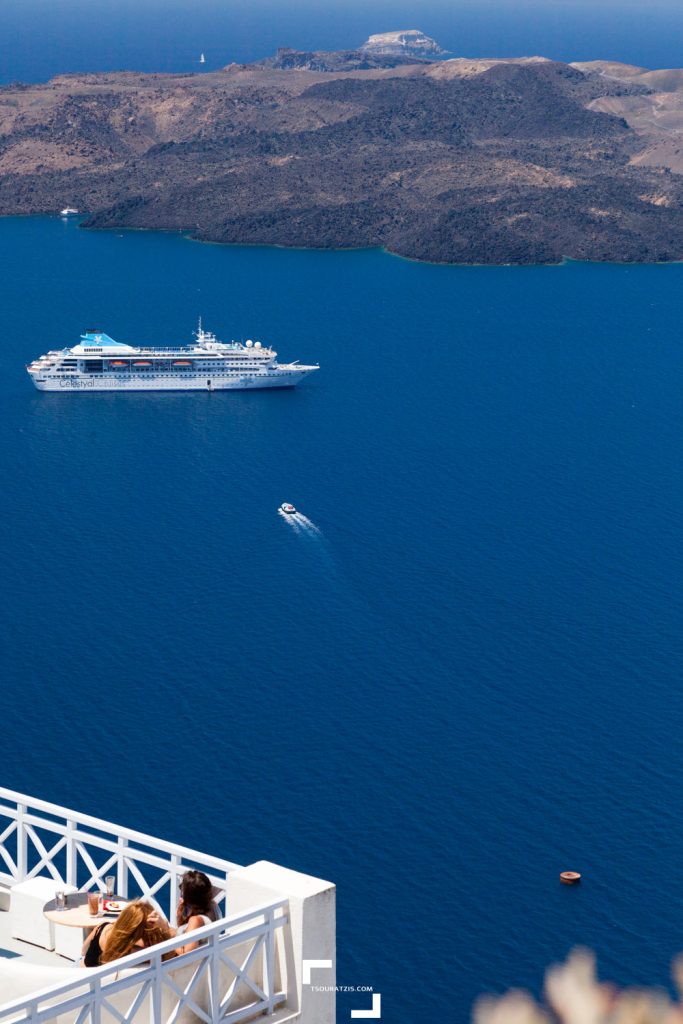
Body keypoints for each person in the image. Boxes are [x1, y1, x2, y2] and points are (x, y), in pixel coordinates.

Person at [81, 900, 173, 967]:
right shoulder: (137, 954)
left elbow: (83, 951)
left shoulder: (103, 928)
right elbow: (168, 955)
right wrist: (165, 928)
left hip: (80, 978)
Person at [172, 870, 219, 955]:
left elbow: (186, 954)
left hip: (189, 966)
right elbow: (185, 933)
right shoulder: (213, 907)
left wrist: (167, 936)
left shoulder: (196, 921)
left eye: (181, 888)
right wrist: (180, 916)